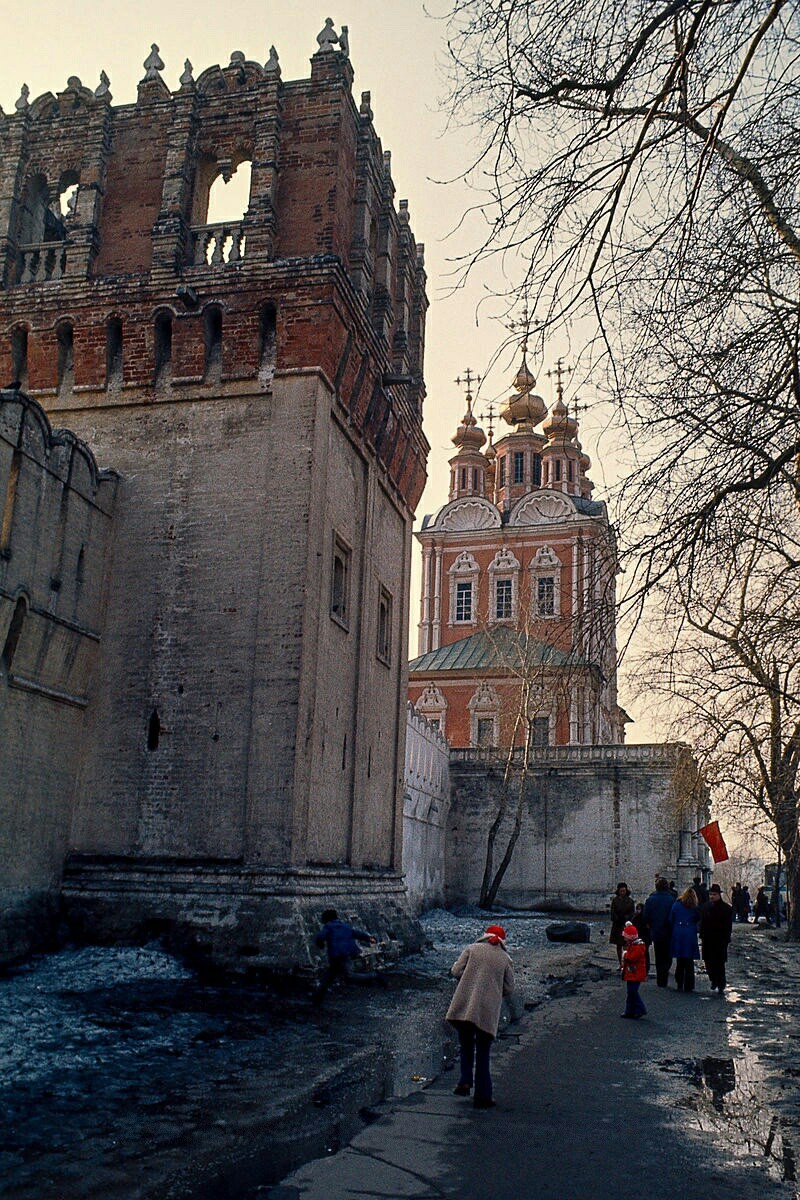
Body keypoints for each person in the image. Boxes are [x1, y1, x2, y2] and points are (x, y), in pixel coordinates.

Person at [446, 924, 515, 1109]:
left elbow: (456, 971)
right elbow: (509, 989)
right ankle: (483, 1096)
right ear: (502, 941)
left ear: (485, 936)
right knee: (483, 1052)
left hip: (466, 1007)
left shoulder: (472, 949)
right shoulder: (505, 958)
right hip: (487, 1011)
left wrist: (471, 979)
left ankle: (465, 1080)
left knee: (466, 1044)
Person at [311, 908, 376, 1005]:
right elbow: (357, 933)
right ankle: (316, 997)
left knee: (348, 976)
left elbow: (320, 937)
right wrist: (368, 938)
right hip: (345, 954)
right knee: (329, 977)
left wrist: (320, 944)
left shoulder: (328, 927)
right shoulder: (345, 926)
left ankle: (373, 976)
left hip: (338, 955)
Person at [699, 884, 734, 992]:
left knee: (719, 963)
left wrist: (726, 938)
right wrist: (702, 935)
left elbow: (728, 926)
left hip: (719, 940)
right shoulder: (705, 907)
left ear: (719, 895)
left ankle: (721, 984)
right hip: (707, 939)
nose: (712, 896)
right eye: (710, 894)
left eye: (714, 894)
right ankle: (714, 980)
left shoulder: (726, 909)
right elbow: (702, 923)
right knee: (708, 962)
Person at [643, 876, 675, 987]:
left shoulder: (650, 899)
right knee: (667, 955)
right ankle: (665, 972)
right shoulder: (671, 899)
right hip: (668, 931)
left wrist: (649, 925)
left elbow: (646, 916)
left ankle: (660, 979)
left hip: (656, 931)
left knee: (658, 954)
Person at [670, 886, 701, 992]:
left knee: (680, 960)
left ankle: (679, 983)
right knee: (689, 961)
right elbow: (698, 918)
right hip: (690, 932)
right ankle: (689, 985)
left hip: (678, 931)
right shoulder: (694, 907)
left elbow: (671, 918)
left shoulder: (677, 905)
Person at [620, 922, 647, 1018]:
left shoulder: (637, 947)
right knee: (631, 992)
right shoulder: (635, 945)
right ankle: (630, 1011)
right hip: (633, 972)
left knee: (632, 992)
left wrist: (625, 955)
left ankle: (639, 1009)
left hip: (635, 973)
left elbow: (632, 958)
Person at [609, 882, 635, 966]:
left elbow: (632, 913)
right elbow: (612, 912)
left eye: (624, 891)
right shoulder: (615, 900)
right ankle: (620, 963)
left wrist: (626, 919)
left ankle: (626, 962)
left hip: (626, 925)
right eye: (621, 891)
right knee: (618, 945)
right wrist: (617, 918)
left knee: (626, 945)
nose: (622, 892)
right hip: (617, 925)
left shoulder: (630, 901)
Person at [632, 902, 651, 974]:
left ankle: (646, 968)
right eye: (637, 909)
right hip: (638, 938)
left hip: (644, 938)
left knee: (645, 953)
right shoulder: (635, 918)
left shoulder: (644, 918)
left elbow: (647, 929)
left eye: (639, 909)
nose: (637, 911)